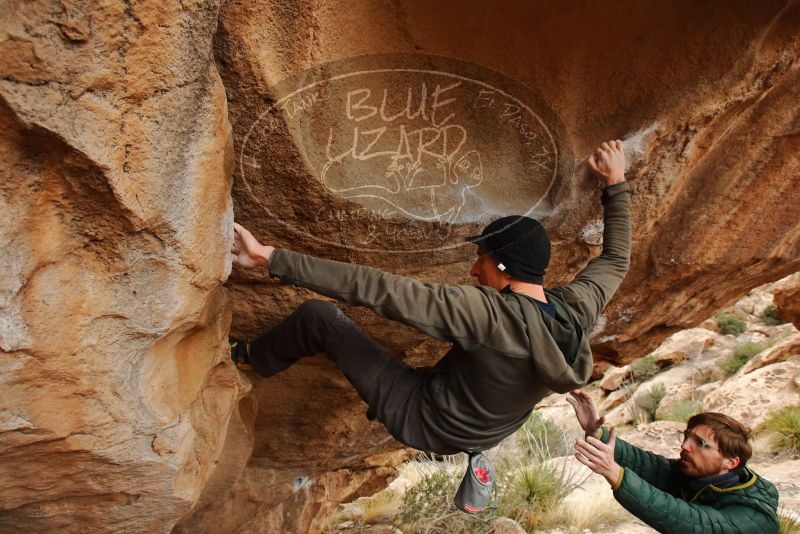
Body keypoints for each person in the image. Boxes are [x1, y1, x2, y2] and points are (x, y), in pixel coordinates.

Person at [229, 140, 631, 509]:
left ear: (504, 268)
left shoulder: (487, 315)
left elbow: (377, 289)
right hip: (482, 429)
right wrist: (615, 182)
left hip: (422, 418)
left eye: (483, 259)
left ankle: (249, 357)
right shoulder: (576, 310)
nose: (474, 270)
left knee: (319, 318)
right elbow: (615, 261)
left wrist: (269, 257)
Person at [567, 390, 780, 533]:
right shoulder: (696, 475)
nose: (685, 446)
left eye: (701, 444)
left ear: (730, 463)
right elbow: (644, 464)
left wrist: (617, 475)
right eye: (687, 436)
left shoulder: (755, 516)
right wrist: (597, 433)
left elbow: (694, 523)